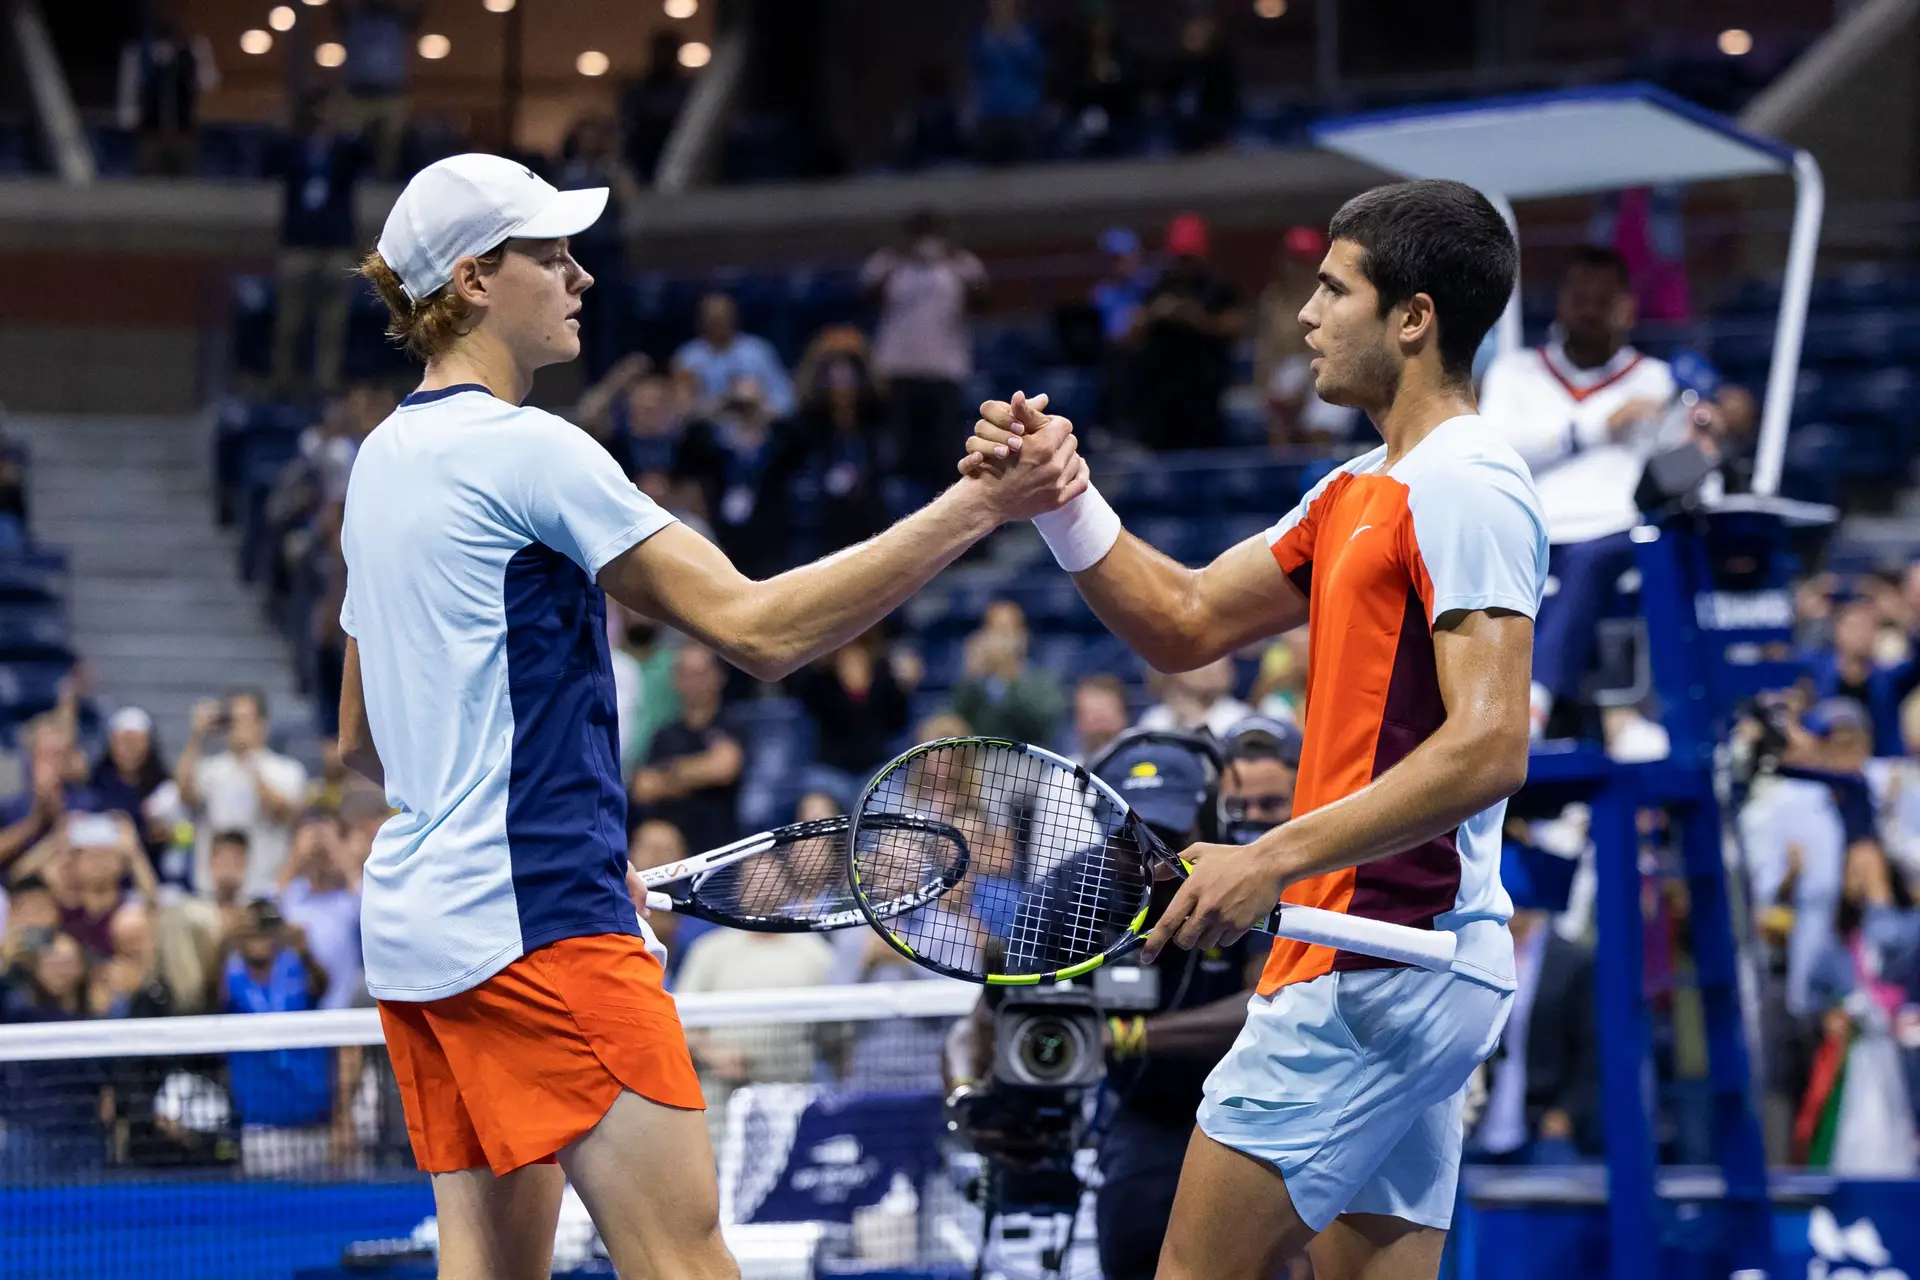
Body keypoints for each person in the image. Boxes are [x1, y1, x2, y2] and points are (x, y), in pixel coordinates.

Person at [338, 152, 1082, 1278]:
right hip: (540, 921)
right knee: (686, 1261)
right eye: (552, 254)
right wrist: (981, 503)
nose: (581, 275)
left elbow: (360, 740)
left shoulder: (378, 463)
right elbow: (762, 630)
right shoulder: (531, 450)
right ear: (477, 278)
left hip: (425, 937)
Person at [963, 178, 1542, 1277]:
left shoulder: (1466, 481)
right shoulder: (1359, 488)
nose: (1306, 316)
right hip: (1399, 963)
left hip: (1374, 964)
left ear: (1414, 317)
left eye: (1334, 290)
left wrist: (1266, 858)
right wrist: (1062, 494)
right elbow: (1183, 622)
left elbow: (1490, 741)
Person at [943, 732, 1271, 1280]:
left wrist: (1119, 1038)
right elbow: (976, 1026)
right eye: (1130, 836)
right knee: (1134, 1227)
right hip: (1145, 1112)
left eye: (1168, 835)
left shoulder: (1246, 878)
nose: (1150, 856)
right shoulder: (1070, 890)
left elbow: (1269, 1005)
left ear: (1208, 821)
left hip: (1255, 1104)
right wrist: (965, 1099)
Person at [1476, 246, 1677, 741]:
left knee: (1596, 561)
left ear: (1626, 308)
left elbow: (1672, 465)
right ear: (1561, 302)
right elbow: (1497, 449)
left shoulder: (1653, 378)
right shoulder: (1515, 372)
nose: (1587, 309)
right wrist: (1594, 427)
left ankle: (1537, 704)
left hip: (1617, 534)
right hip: (1534, 534)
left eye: (1601, 299)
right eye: (1578, 297)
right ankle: (1614, 722)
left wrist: (1704, 437)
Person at [864, 211, 989, 491]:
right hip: (898, 369)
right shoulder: (889, 262)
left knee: (944, 451)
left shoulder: (958, 262)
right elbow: (863, 295)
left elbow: (984, 296)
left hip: (944, 367)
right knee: (904, 450)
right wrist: (900, 255)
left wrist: (951, 256)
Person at [1467, 908, 1600, 1162]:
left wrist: (1567, 1113)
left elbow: (1591, 1051)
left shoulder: (1573, 962)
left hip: (1546, 1122)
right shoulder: (1475, 954)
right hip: (1478, 1121)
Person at [268, 91, 369, 396]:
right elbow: (268, 163)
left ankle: (326, 380)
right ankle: (284, 379)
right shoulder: (294, 147)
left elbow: (368, 156)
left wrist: (349, 124)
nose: (325, 117)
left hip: (335, 243)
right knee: (289, 317)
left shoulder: (345, 148)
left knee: (333, 318)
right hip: (298, 242)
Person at [175, 690, 309, 900]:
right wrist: (196, 736)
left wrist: (251, 759)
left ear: (262, 726)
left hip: (266, 888)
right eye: (233, 720)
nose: (237, 728)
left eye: (244, 720)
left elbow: (280, 811)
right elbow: (184, 794)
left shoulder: (286, 770)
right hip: (213, 891)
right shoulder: (211, 769)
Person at [1131, 213, 1243, 451]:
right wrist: (1157, 313)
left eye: (1189, 258)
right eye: (1180, 257)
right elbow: (1129, 332)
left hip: (1205, 391)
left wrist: (1194, 318)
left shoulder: (1217, 286)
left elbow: (1234, 326)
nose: (1184, 264)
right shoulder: (1159, 285)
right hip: (1162, 393)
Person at [630, 645, 744, 858]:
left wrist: (668, 778)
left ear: (718, 676)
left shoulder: (731, 724)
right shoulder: (664, 733)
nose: (691, 682)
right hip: (668, 838)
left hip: (717, 841)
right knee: (652, 838)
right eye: (684, 673)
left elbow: (724, 768)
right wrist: (699, 771)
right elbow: (643, 787)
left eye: (698, 674)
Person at [950, 599, 1066, 746]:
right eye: (993, 630)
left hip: (1028, 758)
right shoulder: (975, 681)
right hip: (978, 757)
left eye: (1005, 631)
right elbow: (956, 720)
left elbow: (1039, 727)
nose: (998, 640)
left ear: (1023, 637)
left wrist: (1008, 674)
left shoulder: (1043, 681)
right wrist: (972, 678)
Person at [671, 294, 797, 419]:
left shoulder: (757, 350)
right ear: (701, 321)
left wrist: (759, 404)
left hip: (758, 424)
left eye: (723, 318)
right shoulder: (688, 357)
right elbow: (680, 409)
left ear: (734, 318)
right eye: (713, 320)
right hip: (707, 429)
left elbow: (787, 401)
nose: (718, 324)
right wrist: (724, 401)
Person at [969, 0, 1046, 165]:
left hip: (1022, 115)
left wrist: (1015, 40)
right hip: (990, 116)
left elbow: (1037, 67)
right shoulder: (983, 37)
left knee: (1025, 173)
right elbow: (976, 66)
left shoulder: (1027, 36)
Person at [90, 707, 171, 862]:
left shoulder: (165, 788)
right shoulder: (96, 784)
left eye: (136, 742)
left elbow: (189, 832)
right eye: (123, 741)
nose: (129, 748)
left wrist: (170, 833)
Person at [1070, 673, 1132, 763]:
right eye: (1090, 715)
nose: (1099, 728)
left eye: (1104, 716)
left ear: (1124, 716)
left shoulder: (1145, 765)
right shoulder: (1063, 772)